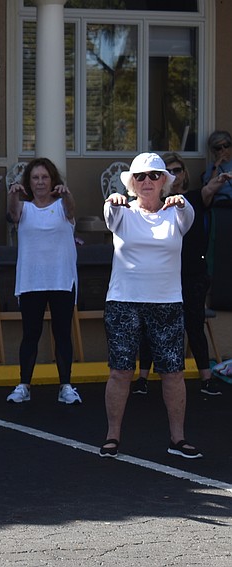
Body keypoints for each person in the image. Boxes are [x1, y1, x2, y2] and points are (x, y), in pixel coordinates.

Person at [99, 152, 200, 460]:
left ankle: (177, 438)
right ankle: (112, 436)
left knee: (173, 373)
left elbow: (188, 212)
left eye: (154, 176)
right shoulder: (121, 211)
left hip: (167, 303)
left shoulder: (178, 213)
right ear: (132, 182)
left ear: (164, 182)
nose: (147, 181)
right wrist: (112, 199)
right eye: (140, 176)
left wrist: (181, 202)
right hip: (123, 303)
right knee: (121, 372)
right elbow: (108, 213)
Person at [133, 152, 227, 397]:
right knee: (149, 326)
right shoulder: (153, 203)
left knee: (194, 324)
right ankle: (142, 379)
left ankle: (206, 379)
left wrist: (221, 178)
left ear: (184, 174)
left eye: (177, 170)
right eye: (168, 170)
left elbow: (210, 190)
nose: (174, 174)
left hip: (192, 274)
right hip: (161, 276)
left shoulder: (194, 198)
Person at [5, 157, 81, 405]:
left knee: (62, 333)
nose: (40, 182)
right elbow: (12, 214)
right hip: (31, 281)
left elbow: (71, 211)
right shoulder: (24, 209)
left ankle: (66, 386)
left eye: (45, 177)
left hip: (61, 279)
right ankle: (24, 384)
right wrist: (13, 194)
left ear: (53, 180)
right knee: (30, 334)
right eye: (35, 177)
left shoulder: (62, 207)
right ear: (29, 181)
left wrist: (66, 194)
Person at [201, 130, 232, 203]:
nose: (223, 150)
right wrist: (216, 165)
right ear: (214, 151)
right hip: (222, 202)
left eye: (226, 146)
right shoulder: (212, 167)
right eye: (219, 148)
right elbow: (209, 190)